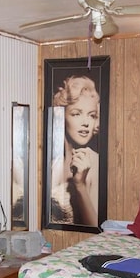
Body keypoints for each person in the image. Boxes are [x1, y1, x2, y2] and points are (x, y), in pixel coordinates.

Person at [49, 75, 100, 226]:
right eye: (76, 114)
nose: (85, 123)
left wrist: (80, 185)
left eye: (91, 115)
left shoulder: (95, 162)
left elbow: (95, 229)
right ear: (62, 116)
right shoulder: (51, 161)